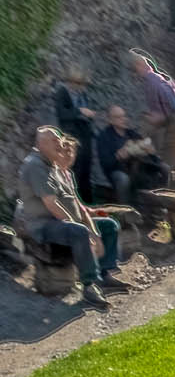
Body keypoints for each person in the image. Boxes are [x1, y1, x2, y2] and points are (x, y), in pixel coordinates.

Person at [17, 126, 131, 307]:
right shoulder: (35, 165)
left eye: (60, 140)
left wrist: (94, 233)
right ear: (40, 144)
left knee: (108, 225)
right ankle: (89, 285)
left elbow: (77, 205)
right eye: (54, 141)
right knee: (78, 231)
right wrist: (84, 230)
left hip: (64, 223)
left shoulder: (55, 166)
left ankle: (104, 274)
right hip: (44, 226)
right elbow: (51, 204)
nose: (60, 144)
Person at [128, 49, 175, 166]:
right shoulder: (156, 81)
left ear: (139, 65)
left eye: (135, 70)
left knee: (168, 167)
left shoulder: (156, 83)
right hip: (174, 126)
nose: (135, 75)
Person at [49, 65, 101, 201]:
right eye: (82, 84)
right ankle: (74, 203)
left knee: (86, 170)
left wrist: (89, 115)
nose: (84, 87)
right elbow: (62, 114)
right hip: (72, 136)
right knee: (75, 170)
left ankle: (88, 204)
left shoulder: (82, 94)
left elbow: (85, 110)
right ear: (74, 83)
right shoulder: (62, 93)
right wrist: (80, 111)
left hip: (85, 134)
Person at [92, 105, 162, 206]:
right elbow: (105, 163)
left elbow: (148, 151)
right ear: (110, 120)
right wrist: (118, 156)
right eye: (119, 117)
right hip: (117, 170)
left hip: (137, 168)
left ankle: (156, 205)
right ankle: (126, 210)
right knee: (123, 178)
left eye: (124, 116)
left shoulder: (131, 133)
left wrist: (151, 152)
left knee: (163, 168)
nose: (124, 119)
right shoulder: (104, 137)